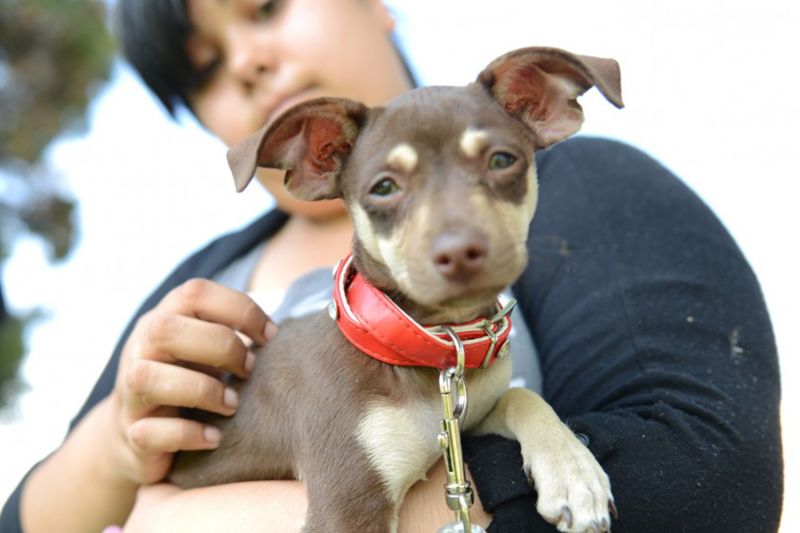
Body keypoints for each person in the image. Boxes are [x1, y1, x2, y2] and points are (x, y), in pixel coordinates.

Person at [1, 0, 783, 531]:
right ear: (313, 160)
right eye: (203, 68)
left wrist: (215, 519)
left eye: (266, 5)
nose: (248, 61)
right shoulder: (203, 283)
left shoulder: (592, 189)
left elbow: (710, 478)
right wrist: (114, 443)